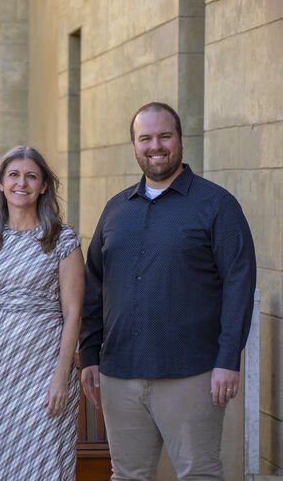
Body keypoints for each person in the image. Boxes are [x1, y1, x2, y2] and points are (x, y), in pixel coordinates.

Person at [79, 102, 257, 480]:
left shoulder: (217, 205)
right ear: (134, 146)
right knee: (127, 475)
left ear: (180, 140)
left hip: (191, 372)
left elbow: (239, 284)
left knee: (199, 473)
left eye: (164, 136)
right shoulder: (115, 209)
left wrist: (228, 359)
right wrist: (89, 353)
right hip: (120, 373)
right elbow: (93, 285)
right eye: (145, 138)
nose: (155, 146)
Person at [0, 146, 84, 480]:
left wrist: (62, 375)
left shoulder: (62, 239)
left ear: (44, 186)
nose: (22, 183)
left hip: (45, 367)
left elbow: (73, 312)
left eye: (32, 176)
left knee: (47, 460)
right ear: (0, 184)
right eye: (13, 175)